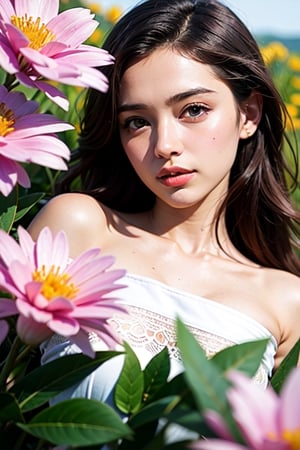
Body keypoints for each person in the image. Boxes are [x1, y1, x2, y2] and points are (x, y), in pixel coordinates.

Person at [28, 0, 299, 420]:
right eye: (137, 121)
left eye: (193, 110)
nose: (164, 145)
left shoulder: (287, 301)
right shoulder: (78, 226)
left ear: (249, 113)